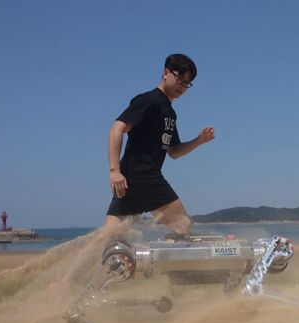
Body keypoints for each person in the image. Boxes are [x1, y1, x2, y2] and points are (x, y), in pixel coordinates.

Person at [54, 54, 215, 289]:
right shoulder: (148, 100)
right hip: (143, 176)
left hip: (130, 181)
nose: (182, 86)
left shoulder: (170, 113)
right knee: (182, 226)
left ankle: (63, 285)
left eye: (187, 83)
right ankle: (180, 290)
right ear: (166, 73)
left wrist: (199, 141)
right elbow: (116, 129)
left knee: (106, 238)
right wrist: (113, 171)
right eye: (180, 79)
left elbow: (174, 151)